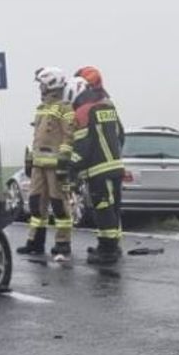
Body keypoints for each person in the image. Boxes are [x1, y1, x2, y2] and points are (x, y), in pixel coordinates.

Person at [65, 75, 125, 265]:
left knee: (103, 209)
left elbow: (83, 145)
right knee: (113, 208)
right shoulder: (108, 107)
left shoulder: (82, 112)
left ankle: (108, 251)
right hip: (115, 166)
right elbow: (120, 135)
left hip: (98, 170)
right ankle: (111, 245)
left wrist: (71, 167)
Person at [17, 67, 75, 259]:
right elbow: (36, 137)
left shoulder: (64, 108)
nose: (40, 88)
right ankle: (35, 241)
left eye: (42, 84)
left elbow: (69, 135)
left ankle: (62, 243)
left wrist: (64, 161)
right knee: (35, 204)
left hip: (55, 166)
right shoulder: (41, 108)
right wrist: (29, 159)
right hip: (38, 166)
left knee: (59, 205)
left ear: (51, 84)